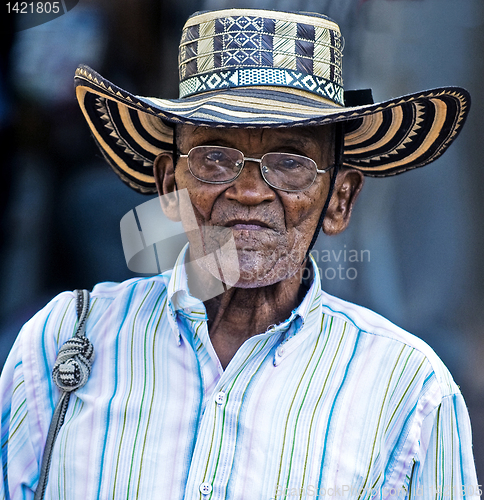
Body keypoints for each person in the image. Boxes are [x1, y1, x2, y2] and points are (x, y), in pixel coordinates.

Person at [0, 8, 479, 500]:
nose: (249, 191)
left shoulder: (409, 389)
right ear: (169, 187)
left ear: (339, 201)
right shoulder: (66, 342)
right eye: (214, 157)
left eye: (291, 161)